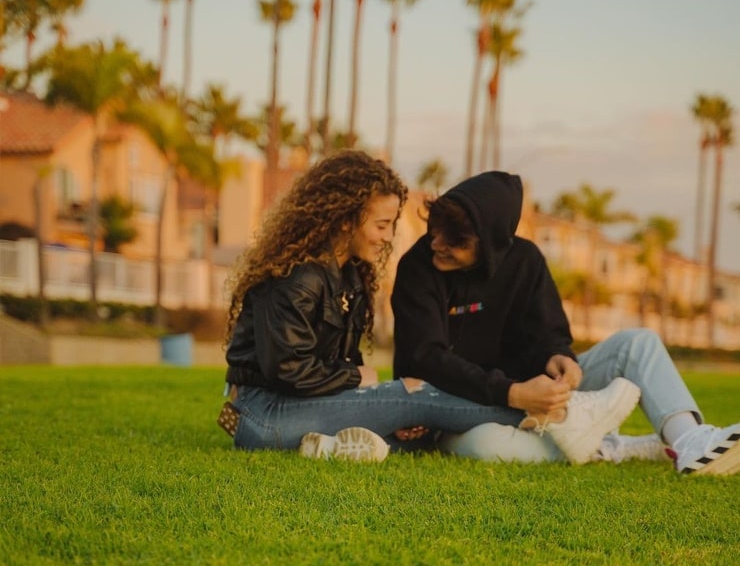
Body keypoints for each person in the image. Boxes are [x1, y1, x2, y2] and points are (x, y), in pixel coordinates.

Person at [219, 151, 639, 463]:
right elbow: (286, 370)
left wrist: (360, 388)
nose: (387, 237)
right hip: (265, 414)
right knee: (413, 392)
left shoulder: (347, 275)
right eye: (381, 225)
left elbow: (328, 368)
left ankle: (328, 449)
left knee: (419, 434)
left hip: (301, 411)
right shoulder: (297, 276)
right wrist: (357, 377)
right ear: (345, 220)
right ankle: (565, 416)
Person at [391, 170, 740, 476]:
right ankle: (610, 447)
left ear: (493, 241)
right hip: (463, 403)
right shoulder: (418, 268)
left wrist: (560, 358)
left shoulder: (525, 260)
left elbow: (549, 332)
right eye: (434, 230)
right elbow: (426, 357)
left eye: (455, 241)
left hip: (538, 393)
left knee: (638, 343)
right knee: (485, 446)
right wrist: (512, 394)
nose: (437, 243)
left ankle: (688, 439)